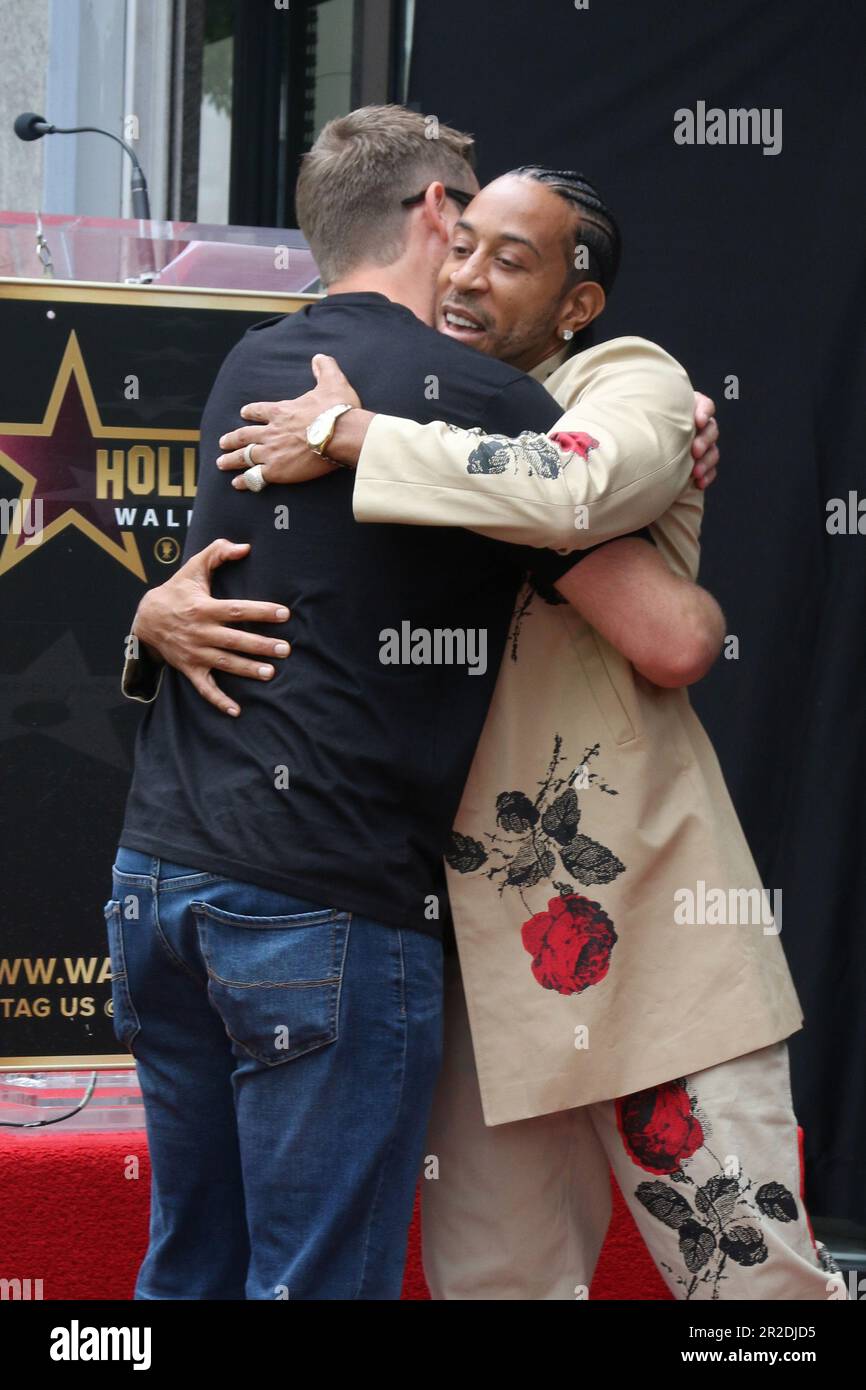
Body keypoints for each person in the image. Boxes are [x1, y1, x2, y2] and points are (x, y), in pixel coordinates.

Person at [136, 161, 843, 1300]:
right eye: (460, 245)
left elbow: (575, 487)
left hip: (643, 932)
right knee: (494, 1290)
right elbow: (263, 583)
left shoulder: (625, 377)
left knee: (754, 1292)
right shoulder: (405, 397)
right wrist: (149, 614)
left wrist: (355, 431)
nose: (465, 276)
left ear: (576, 302)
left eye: (509, 261)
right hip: (459, 968)